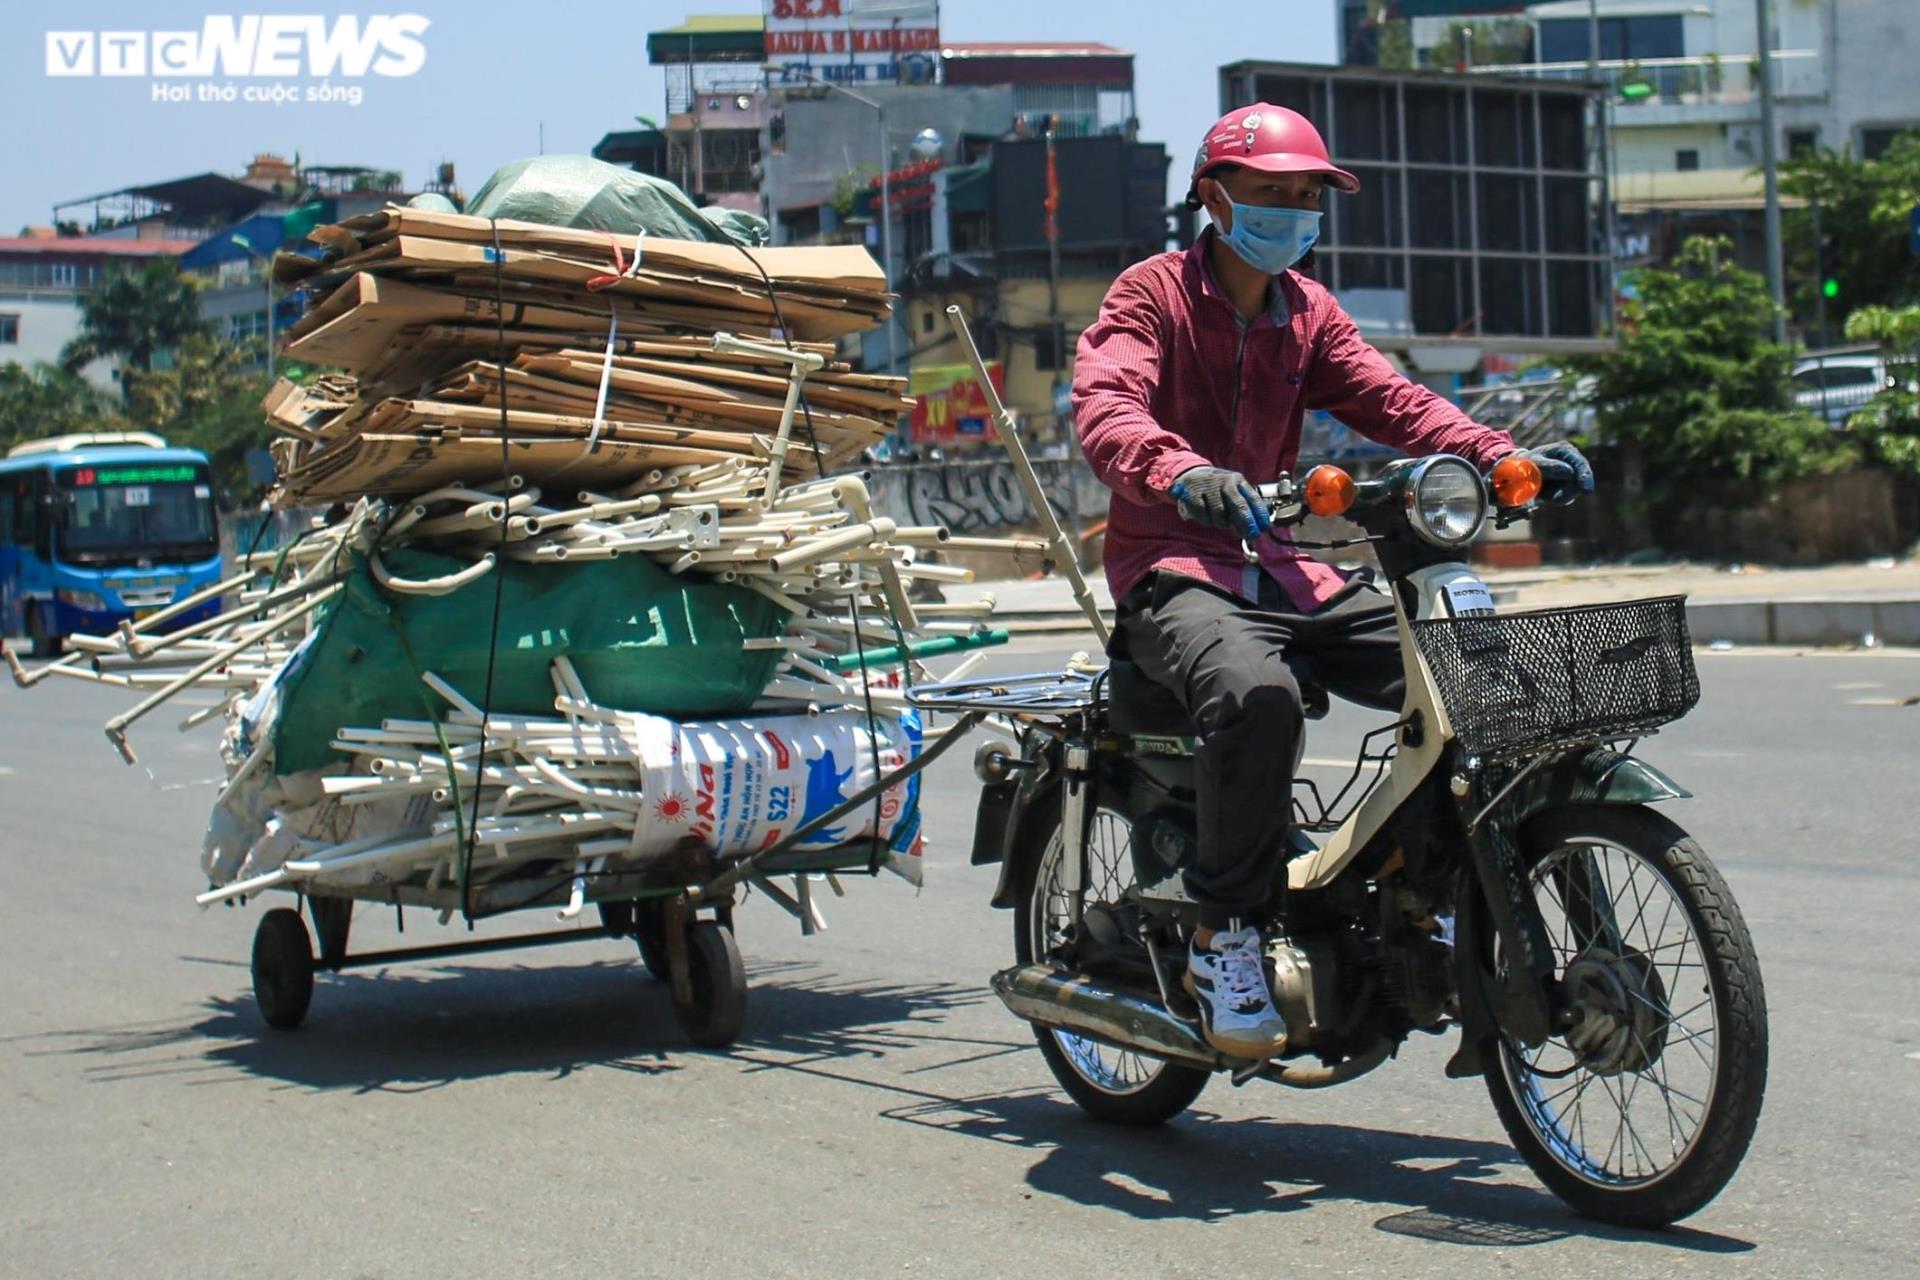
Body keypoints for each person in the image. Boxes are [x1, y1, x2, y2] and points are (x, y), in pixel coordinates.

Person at [1071, 104, 1592, 1059]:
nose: (1294, 212)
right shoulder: (1150, 296)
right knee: (1258, 696)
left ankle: (1427, 891)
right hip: (1174, 567)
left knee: (1476, 677)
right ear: (1214, 197)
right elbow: (1106, 405)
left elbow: (1396, 400)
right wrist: (1182, 471)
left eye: (1308, 197)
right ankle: (1223, 935)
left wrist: (1503, 453)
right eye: (1273, 194)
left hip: (1284, 564)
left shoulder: (1307, 312)